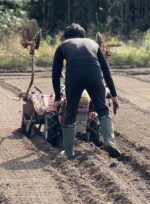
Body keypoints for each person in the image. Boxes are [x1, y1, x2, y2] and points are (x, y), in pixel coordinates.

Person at [52, 23, 121, 159]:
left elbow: (55, 74)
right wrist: (113, 95)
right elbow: (106, 72)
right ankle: (109, 142)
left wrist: (58, 98)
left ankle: (69, 152)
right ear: (83, 35)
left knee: (70, 112)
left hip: (74, 76)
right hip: (94, 74)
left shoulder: (62, 46)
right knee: (102, 109)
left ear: (66, 37)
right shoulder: (93, 44)